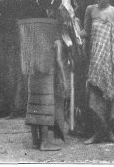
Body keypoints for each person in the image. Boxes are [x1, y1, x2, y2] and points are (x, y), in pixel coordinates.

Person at [83, 0, 114, 144]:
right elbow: (86, 34)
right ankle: (97, 133)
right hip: (95, 58)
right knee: (95, 94)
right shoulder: (90, 10)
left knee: (111, 96)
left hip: (111, 59)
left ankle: (109, 133)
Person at [24, 16, 69, 151]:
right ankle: (44, 143)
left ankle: (35, 141)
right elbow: (60, 62)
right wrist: (64, 80)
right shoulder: (56, 41)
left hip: (33, 76)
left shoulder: (33, 41)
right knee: (45, 107)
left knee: (34, 106)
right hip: (47, 76)